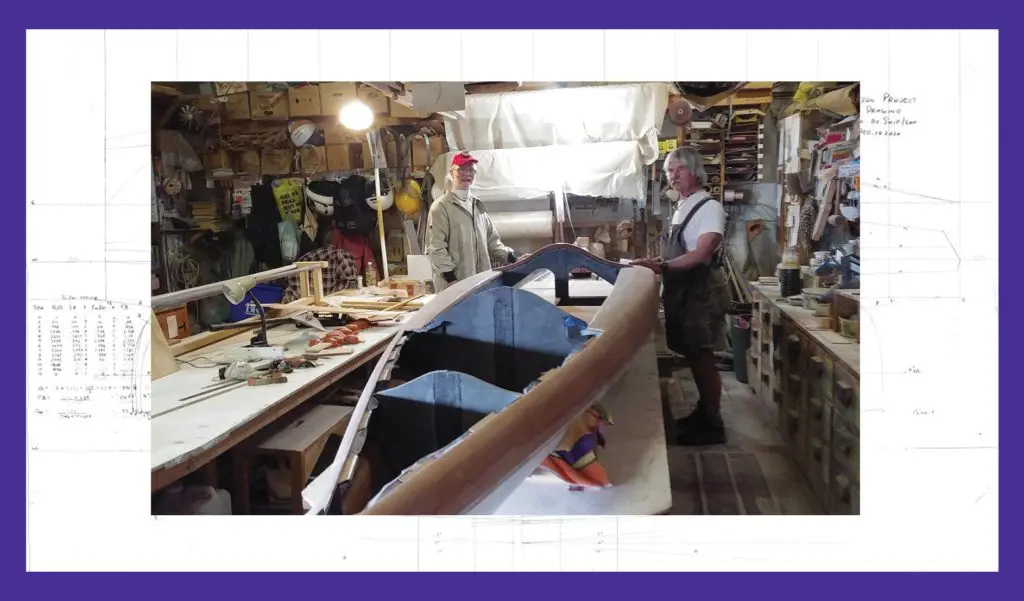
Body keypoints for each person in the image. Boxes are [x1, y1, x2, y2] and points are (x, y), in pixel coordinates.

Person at [632, 146, 730, 446]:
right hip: (683, 292)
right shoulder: (683, 207)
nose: (673, 176)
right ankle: (703, 411)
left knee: (702, 358)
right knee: (692, 354)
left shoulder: (709, 207)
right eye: (669, 171)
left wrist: (661, 266)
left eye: (679, 169)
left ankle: (713, 422)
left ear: (695, 170)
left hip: (700, 293)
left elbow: (701, 254)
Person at [425, 151, 519, 292]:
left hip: (480, 283)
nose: (467, 174)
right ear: (452, 173)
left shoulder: (478, 207)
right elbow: (436, 248)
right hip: (453, 286)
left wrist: (513, 258)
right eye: (461, 169)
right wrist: (451, 279)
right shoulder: (441, 207)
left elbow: (492, 243)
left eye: (471, 171)